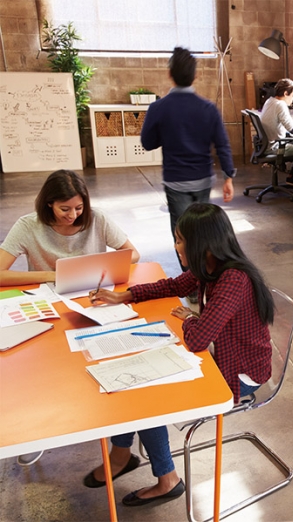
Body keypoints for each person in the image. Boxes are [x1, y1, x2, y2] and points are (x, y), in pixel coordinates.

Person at [84, 203, 274, 506]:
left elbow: (197, 339)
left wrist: (190, 318)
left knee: (145, 397)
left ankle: (166, 480)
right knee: (133, 384)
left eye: (180, 240)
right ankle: (121, 455)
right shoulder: (209, 268)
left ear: (202, 243)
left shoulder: (232, 280)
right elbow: (173, 285)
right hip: (219, 356)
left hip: (238, 373)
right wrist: (125, 296)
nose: (176, 247)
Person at [141, 47, 236, 274]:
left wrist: (167, 133)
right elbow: (222, 144)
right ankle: (205, 276)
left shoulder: (158, 108)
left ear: (169, 74)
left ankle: (190, 279)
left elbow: (147, 143)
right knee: (202, 229)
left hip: (176, 181)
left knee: (182, 232)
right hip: (203, 179)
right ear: (196, 75)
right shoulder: (208, 108)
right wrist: (228, 177)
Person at [0, 169, 139, 287]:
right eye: (65, 209)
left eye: (79, 208)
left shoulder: (97, 218)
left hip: (90, 289)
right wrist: (52, 275)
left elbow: (134, 254)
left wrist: (99, 267)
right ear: (49, 203)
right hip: (48, 293)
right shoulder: (27, 226)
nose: (73, 215)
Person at [260, 78, 293, 183]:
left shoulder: (270, 101)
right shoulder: (280, 105)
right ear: (285, 93)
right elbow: (292, 130)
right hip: (275, 147)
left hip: (266, 145)